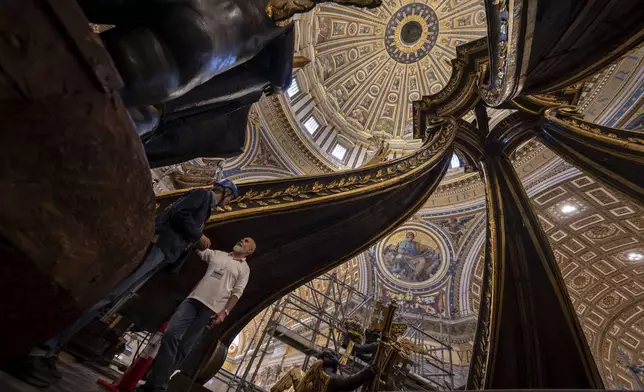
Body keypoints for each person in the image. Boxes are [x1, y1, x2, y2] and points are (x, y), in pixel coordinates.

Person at [8, 179, 239, 387]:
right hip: (158, 248)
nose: (227, 202)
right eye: (230, 197)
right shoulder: (202, 195)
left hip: (164, 255)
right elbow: (179, 215)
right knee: (105, 296)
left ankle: (51, 349)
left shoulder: (206, 208)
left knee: (111, 300)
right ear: (225, 192)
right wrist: (197, 236)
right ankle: (43, 347)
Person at [137, 237, 256, 392]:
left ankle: (151, 387)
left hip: (212, 310)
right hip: (193, 300)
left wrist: (224, 312)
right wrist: (199, 235)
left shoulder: (244, 269)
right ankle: (159, 386)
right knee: (171, 334)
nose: (242, 241)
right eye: (242, 239)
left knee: (184, 348)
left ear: (249, 251)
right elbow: (200, 249)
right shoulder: (218, 254)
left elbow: (237, 292)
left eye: (246, 241)